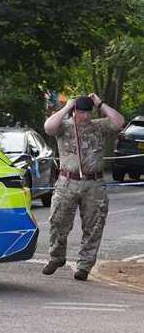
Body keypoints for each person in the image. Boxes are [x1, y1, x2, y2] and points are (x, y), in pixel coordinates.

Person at [42, 93, 124, 281]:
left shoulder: (99, 126)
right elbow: (48, 127)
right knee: (58, 221)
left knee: (94, 225)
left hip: (94, 183)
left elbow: (119, 122)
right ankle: (56, 257)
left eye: (88, 112)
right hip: (67, 181)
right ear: (75, 111)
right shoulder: (64, 127)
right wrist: (66, 107)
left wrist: (100, 103)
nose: (85, 116)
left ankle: (84, 266)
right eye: (81, 112)